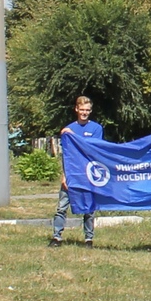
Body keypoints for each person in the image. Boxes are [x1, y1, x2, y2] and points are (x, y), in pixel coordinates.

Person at [49, 94, 103, 247]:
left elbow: (94, 150)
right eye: (82, 109)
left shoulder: (96, 129)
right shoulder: (70, 129)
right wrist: (64, 175)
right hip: (72, 174)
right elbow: (67, 155)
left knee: (89, 208)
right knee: (61, 207)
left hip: (88, 174)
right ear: (76, 109)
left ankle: (88, 239)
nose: (85, 112)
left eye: (88, 110)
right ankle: (57, 237)